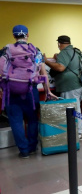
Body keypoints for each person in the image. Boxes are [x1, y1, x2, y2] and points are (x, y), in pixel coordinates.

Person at [1, 25, 55, 158]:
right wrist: (48, 91)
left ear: (14, 36)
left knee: (15, 121)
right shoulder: (36, 51)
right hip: (31, 91)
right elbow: (43, 73)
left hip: (11, 93)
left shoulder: (6, 50)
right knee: (32, 120)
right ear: (27, 35)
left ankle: (23, 151)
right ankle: (32, 147)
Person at [45, 35, 82, 139]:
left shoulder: (64, 52)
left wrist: (46, 61)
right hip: (80, 84)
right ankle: (78, 132)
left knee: (73, 110)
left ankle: (78, 133)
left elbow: (60, 68)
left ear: (59, 44)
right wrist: (58, 58)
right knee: (77, 108)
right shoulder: (75, 51)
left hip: (70, 86)